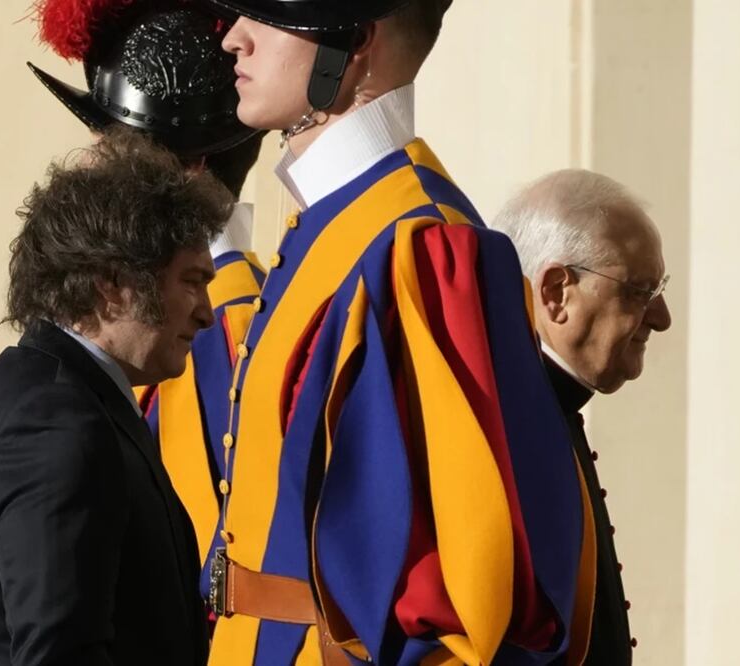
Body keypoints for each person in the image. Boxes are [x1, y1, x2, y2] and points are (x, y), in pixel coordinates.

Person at [201, 1, 595, 664]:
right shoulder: (335, 224)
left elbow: (463, 597)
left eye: (265, 15)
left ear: (353, 40)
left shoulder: (422, 248)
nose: (233, 41)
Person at [0, 130, 232, 666]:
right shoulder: (54, 425)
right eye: (192, 281)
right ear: (111, 283)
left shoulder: (56, 395)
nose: (206, 312)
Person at [28, 0, 268, 594]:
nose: (87, 163)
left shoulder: (220, 330)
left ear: (171, 178)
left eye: (108, 146)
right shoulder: (181, 312)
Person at [492, 169, 673, 665]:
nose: (662, 318)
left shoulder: (539, 408)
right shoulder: (498, 437)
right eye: (639, 290)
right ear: (555, 292)